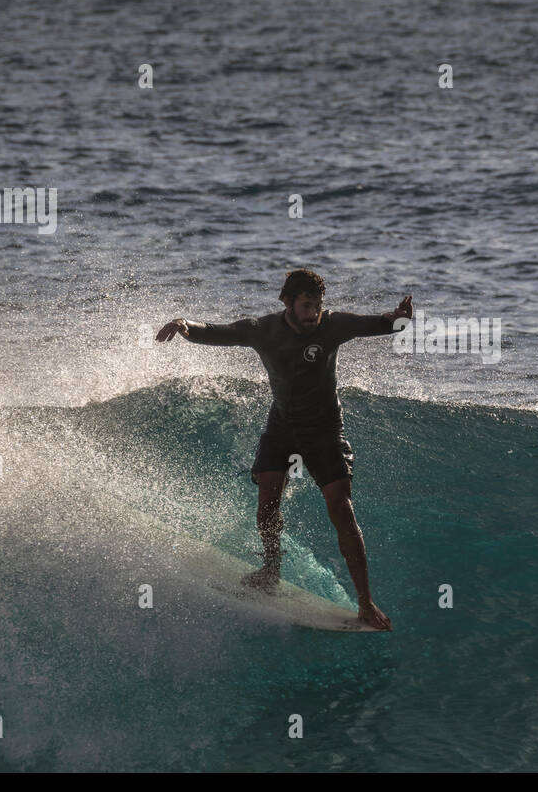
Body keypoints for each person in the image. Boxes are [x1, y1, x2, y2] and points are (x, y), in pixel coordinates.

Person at [156, 269, 410, 631]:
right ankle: (271, 570)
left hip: (324, 430)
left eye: (318, 306)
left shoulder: (333, 325)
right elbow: (219, 332)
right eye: (306, 306)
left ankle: (366, 603)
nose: (314, 314)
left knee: (341, 507)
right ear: (286, 302)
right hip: (283, 426)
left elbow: (381, 324)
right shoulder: (263, 329)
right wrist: (185, 325)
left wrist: (398, 319)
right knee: (268, 501)